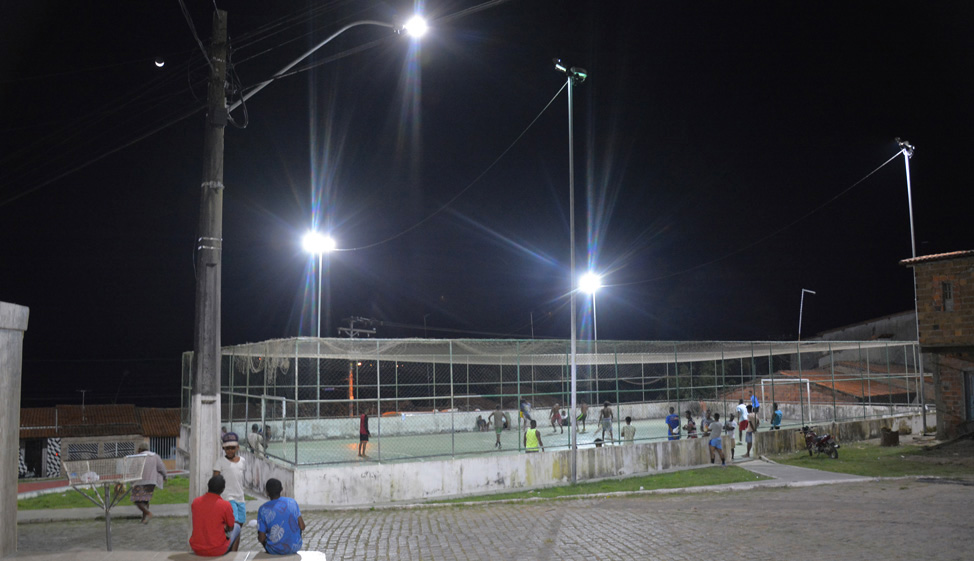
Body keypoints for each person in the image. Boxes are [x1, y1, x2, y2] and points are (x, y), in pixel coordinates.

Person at [190, 475, 241, 556]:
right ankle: (232, 557)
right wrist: (225, 527)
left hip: (197, 548)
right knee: (237, 527)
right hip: (217, 549)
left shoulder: (195, 502)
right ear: (222, 490)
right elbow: (231, 527)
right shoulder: (225, 505)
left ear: (208, 486)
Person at [257, 478, 305, 555]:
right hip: (295, 547)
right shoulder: (292, 502)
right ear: (281, 489)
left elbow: (262, 537)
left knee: (259, 532)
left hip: (274, 550)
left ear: (267, 492)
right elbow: (302, 526)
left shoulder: (263, 509)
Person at [213, 432, 246, 526]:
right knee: (233, 523)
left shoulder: (242, 461)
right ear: (224, 448)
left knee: (240, 523)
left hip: (240, 496)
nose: (230, 451)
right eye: (227, 448)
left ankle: (236, 540)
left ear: (237, 447)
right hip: (228, 497)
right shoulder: (220, 462)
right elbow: (215, 480)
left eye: (232, 448)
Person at [130, 443, 166, 524]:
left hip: (140, 481)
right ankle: (144, 519)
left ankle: (148, 513)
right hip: (152, 481)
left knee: (137, 501)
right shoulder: (155, 456)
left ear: (140, 449)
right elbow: (162, 468)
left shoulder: (138, 457)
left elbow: (132, 469)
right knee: (145, 500)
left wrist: (131, 481)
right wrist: (165, 476)